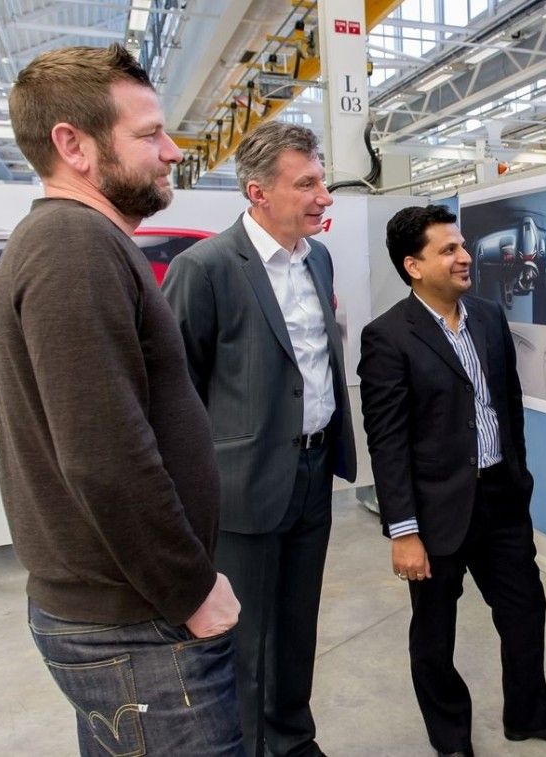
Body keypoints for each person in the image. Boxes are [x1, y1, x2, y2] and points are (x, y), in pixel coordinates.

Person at [0, 44, 243, 755]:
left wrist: (48, 485)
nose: (173, 151)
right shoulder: (74, 243)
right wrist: (189, 588)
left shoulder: (67, 240)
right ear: (74, 146)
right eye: (149, 134)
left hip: (121, 615)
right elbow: (105, 457)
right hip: (139, 623)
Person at [358, 205, 546, 757]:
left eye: (462, 246)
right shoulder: (387, 336)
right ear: (414, 266)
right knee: (435, 635)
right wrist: (404, 531)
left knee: (525, 610)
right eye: (448, 250)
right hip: (435, 511)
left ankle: (528, 715)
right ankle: (452, 742)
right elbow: (387, 442)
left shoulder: (487, 318)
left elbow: (507, 406)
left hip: (501, 499)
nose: (465, 257)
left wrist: (519, 479)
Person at [162, 119, 356, 757]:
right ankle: (244, 746)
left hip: (315, 471)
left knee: (298, 624)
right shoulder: (205, 268)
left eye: (322, 181)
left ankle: (293, 739)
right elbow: (177, 393)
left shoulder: (317, 258)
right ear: (258, 192)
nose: (323, 197)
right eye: (307, 184)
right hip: (241, 484)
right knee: (242, 640)